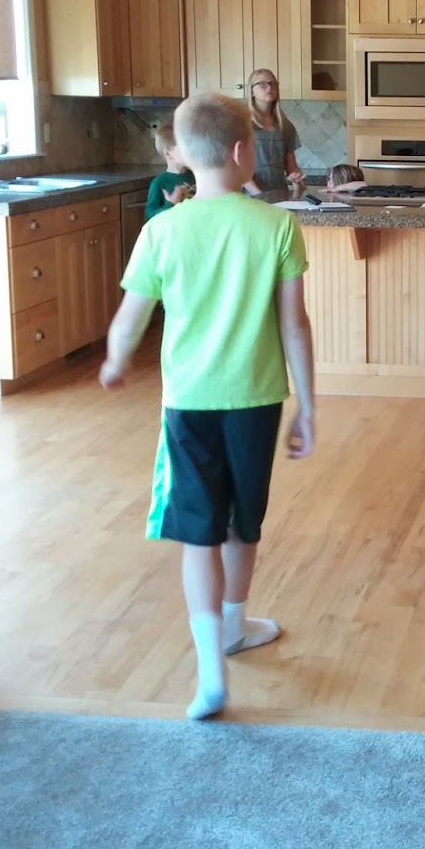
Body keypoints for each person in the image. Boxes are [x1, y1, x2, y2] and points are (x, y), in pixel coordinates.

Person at [99, 91, 315, 722]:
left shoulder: (161, 230)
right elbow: (294, 325)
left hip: (188, 404)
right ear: (243, 151)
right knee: (243, 524)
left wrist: (115, 361)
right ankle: (235, 626)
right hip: (257, 401)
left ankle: (211, 674)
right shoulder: (277, 226)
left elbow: (130, 317)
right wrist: (308, 406)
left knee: (200, 535)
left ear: (184, 155)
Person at [243, 68, 305, 200]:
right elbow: (237, 167)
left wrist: (296, 178)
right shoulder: (242, 122)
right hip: (250, 197)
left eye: (273, 84)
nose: (269, 88)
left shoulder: (285, 125)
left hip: (279, 195)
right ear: (251, 91)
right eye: (263, 84)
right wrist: (259, 195)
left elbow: (292, 166)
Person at [144, 123, 194, 220]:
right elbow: (149, 216)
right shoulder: (159, 183)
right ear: (168, 154)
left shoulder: (196, 176)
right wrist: (170, 204)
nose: (191, 151)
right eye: (185, 147)